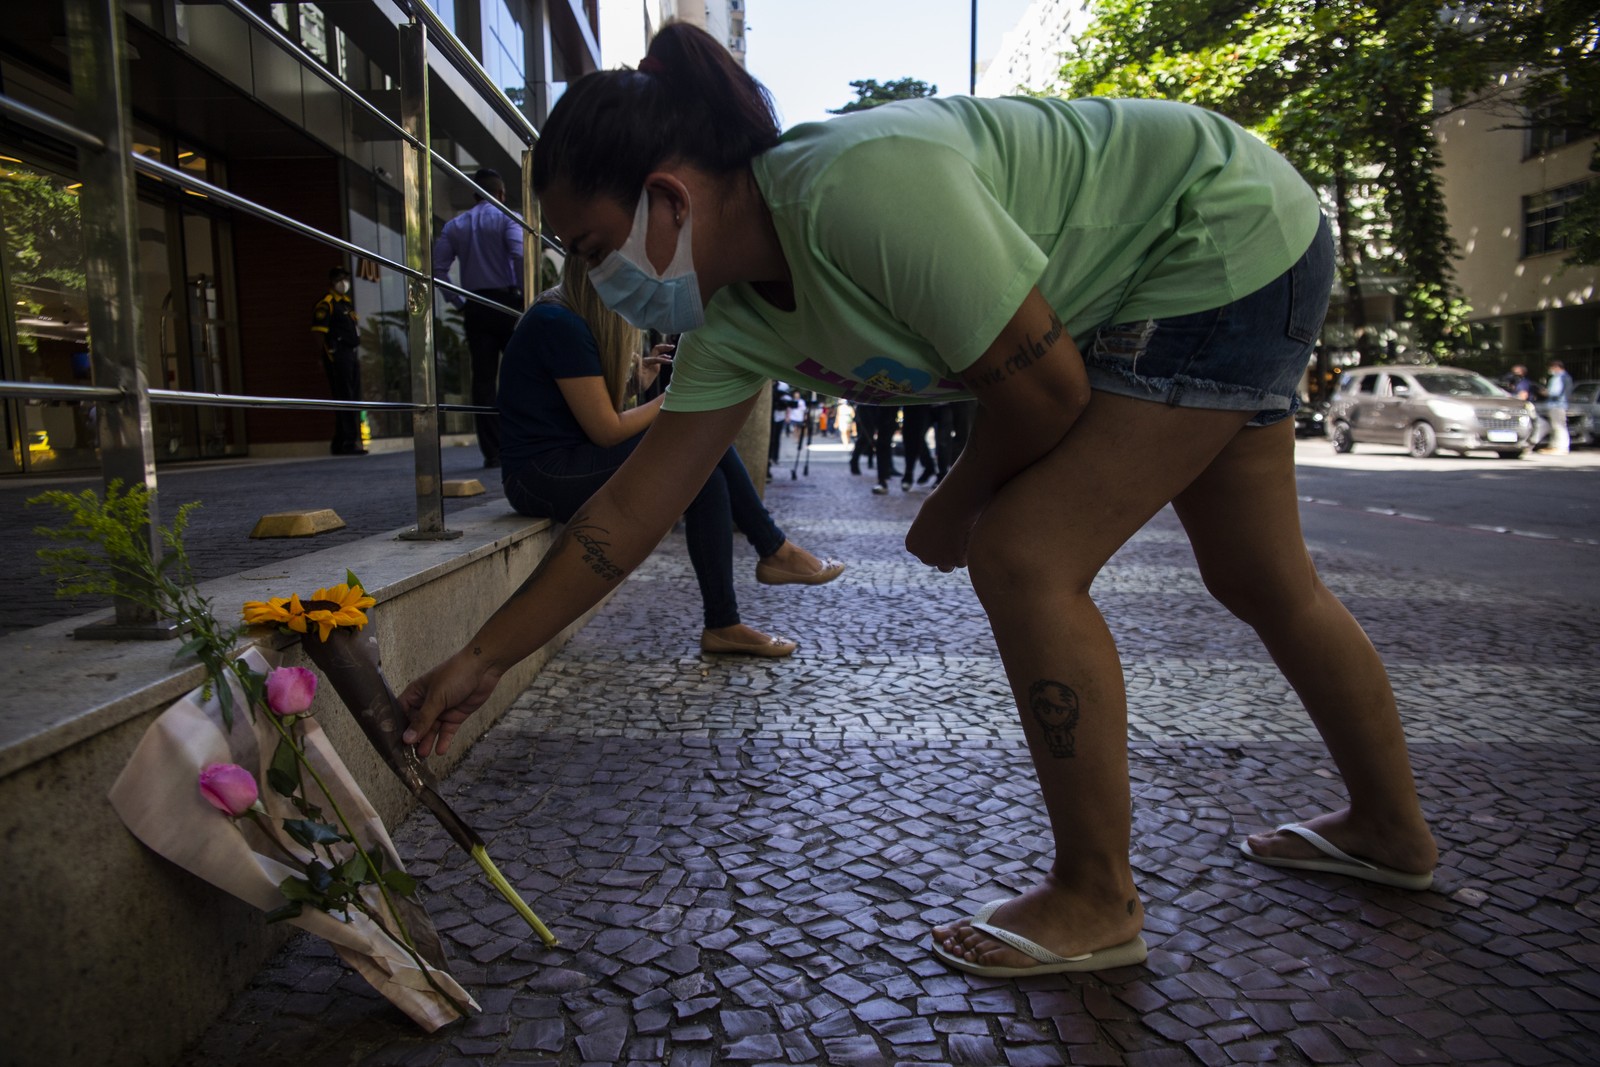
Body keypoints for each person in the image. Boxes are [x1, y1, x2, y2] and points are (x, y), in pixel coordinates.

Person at [401, 22, 1437, 978]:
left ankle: (1096, 895)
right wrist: (484, 655)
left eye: (590, 248)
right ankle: (1391, 831)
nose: (596, 278)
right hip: (1234, 239)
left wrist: (954, 506)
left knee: (1024, 553)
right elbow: (627, 513)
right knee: (1260, 574)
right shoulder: (733, 319)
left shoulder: (856, 187)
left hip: (1213, 233)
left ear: (667, 199)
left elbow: (1046, 393)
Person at [496, 254, 844, 657]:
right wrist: (675, 398)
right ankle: (772, 551)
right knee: (697, 445)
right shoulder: (559, 323)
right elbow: (606, 431)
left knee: (705, 470)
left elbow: (582, 418)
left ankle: (724, 623)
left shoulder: (568, 317)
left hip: (567, 461)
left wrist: (636, 385)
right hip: (539, 477)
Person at [434, 168, 526, 469]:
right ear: (501, 193)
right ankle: (522, 444)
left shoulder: (455, 225)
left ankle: (493, 452)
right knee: (519, 374)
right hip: (508, 302)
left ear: (474, 195)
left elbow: (438, 271)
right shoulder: (506, 218)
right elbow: (519, 256)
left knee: (483, 380)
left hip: (476, 306)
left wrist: (459, 303)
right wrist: (526, 296)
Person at [310, 265, 366, 455]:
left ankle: (341, 441)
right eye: (341, 278)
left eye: (346, 278)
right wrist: (322, 358)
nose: (344, 282)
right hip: (337, 355)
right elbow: (319, 333)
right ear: (333, 281)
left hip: (351, 354)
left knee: (353, 398)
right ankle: (348, 443)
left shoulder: (346, 303)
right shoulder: (327, 304)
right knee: (345, 398)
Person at [1540, 360, 1574, 454]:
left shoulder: (1559, 377)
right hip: (1562, 404)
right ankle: (1556, 446)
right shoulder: (1567, 377)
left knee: (1559, 426)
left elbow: (1555, 392)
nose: (1550, 370)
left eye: (1551, 368)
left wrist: (1544, 392)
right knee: (1558, 426)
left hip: (1557, 405)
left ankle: (1561, 447)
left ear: (1556, 367)